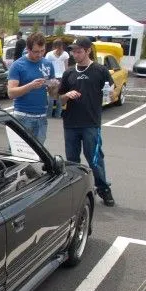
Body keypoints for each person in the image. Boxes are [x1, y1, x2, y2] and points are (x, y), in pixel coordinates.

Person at [58, 37, 115, 207]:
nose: (75, 54)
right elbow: (59, 98)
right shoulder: (69, 72)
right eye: (73, 51)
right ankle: (75, 190)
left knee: (94, 159)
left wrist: (109, 93)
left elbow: (110, 93)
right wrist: (66, 95)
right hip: (70, 123)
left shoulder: (100, 70)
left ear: (88, 50)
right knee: (72, 160)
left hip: (91, 123)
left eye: (79, 51)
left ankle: (103, 188)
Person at [7, 32, 55, 144]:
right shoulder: (18, 65)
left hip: (42, 117)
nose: (40, 54)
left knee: (39, 153)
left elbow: (53, 94)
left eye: (42, 50)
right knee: (20, 151)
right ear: (28, 49)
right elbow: (11, 93)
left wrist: (54, 86)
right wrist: (30, 86)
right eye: (36, 51)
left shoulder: (48, 64)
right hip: (22, 116)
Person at [45, 39, 69, 118]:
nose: (60, 49)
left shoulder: (65, 54)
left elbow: (66, 67)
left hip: (59, 78)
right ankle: (51, 116)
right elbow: (47, 66)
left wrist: (66, 78)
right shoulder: (49, 55)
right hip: (53, 78)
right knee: (53, 98)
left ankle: (55, 116)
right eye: (58, 47)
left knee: (56, 98)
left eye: (60, 47)